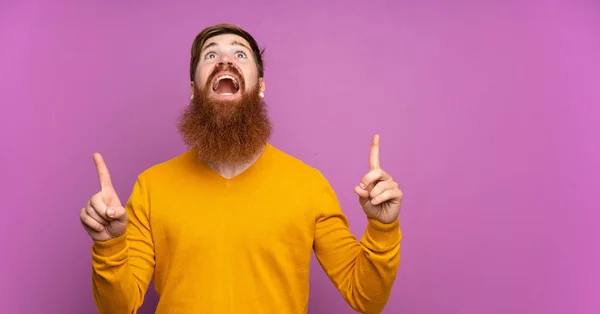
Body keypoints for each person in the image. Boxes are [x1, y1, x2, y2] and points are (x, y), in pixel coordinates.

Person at [80, 23, 404, 314]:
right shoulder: (152, 186)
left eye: (239, 53)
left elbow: (367, 298)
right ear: (193, 90)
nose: (224, 61)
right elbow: (118, 308)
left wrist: (382, 229)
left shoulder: (308, 185)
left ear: (260, 85)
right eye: (210, 55)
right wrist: (109, 246)